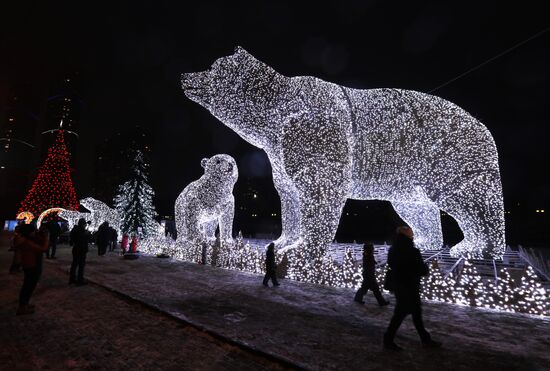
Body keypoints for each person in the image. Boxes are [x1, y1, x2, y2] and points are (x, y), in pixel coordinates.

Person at [383, 226, 441, 351]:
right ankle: (388, 340)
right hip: (410, 288)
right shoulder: (413, 251)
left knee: (415, 315)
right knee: (400, 315)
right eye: (411, 234)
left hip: (399, 287)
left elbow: (392, 266)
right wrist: (424, 267)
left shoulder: (392, 250)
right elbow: (421, 270)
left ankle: (425, 339)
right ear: (409, 236)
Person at [13, 222, 49, 315]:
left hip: (30, 265)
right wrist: (47, 238)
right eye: (33, 231)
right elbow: (43, 248)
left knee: (28, 286)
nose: (34, 232)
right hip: (31, 266)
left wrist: (40, 235)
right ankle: (22, 307)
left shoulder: (27, 239)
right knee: (28, 286)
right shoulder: (26, 242)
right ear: (28, 232)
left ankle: (24, 305)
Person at [69, 218, 91, 285]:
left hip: (75, 249)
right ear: (82, 224)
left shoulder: (74, 229)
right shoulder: (82, 231)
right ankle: (80, 280)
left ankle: (72, 279)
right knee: (81, 265)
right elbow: (86, 239)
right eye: (84, 224)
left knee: (74, 264)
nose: (85, 225)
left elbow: (72, 239)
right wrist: (87, 234)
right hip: (81, 249)